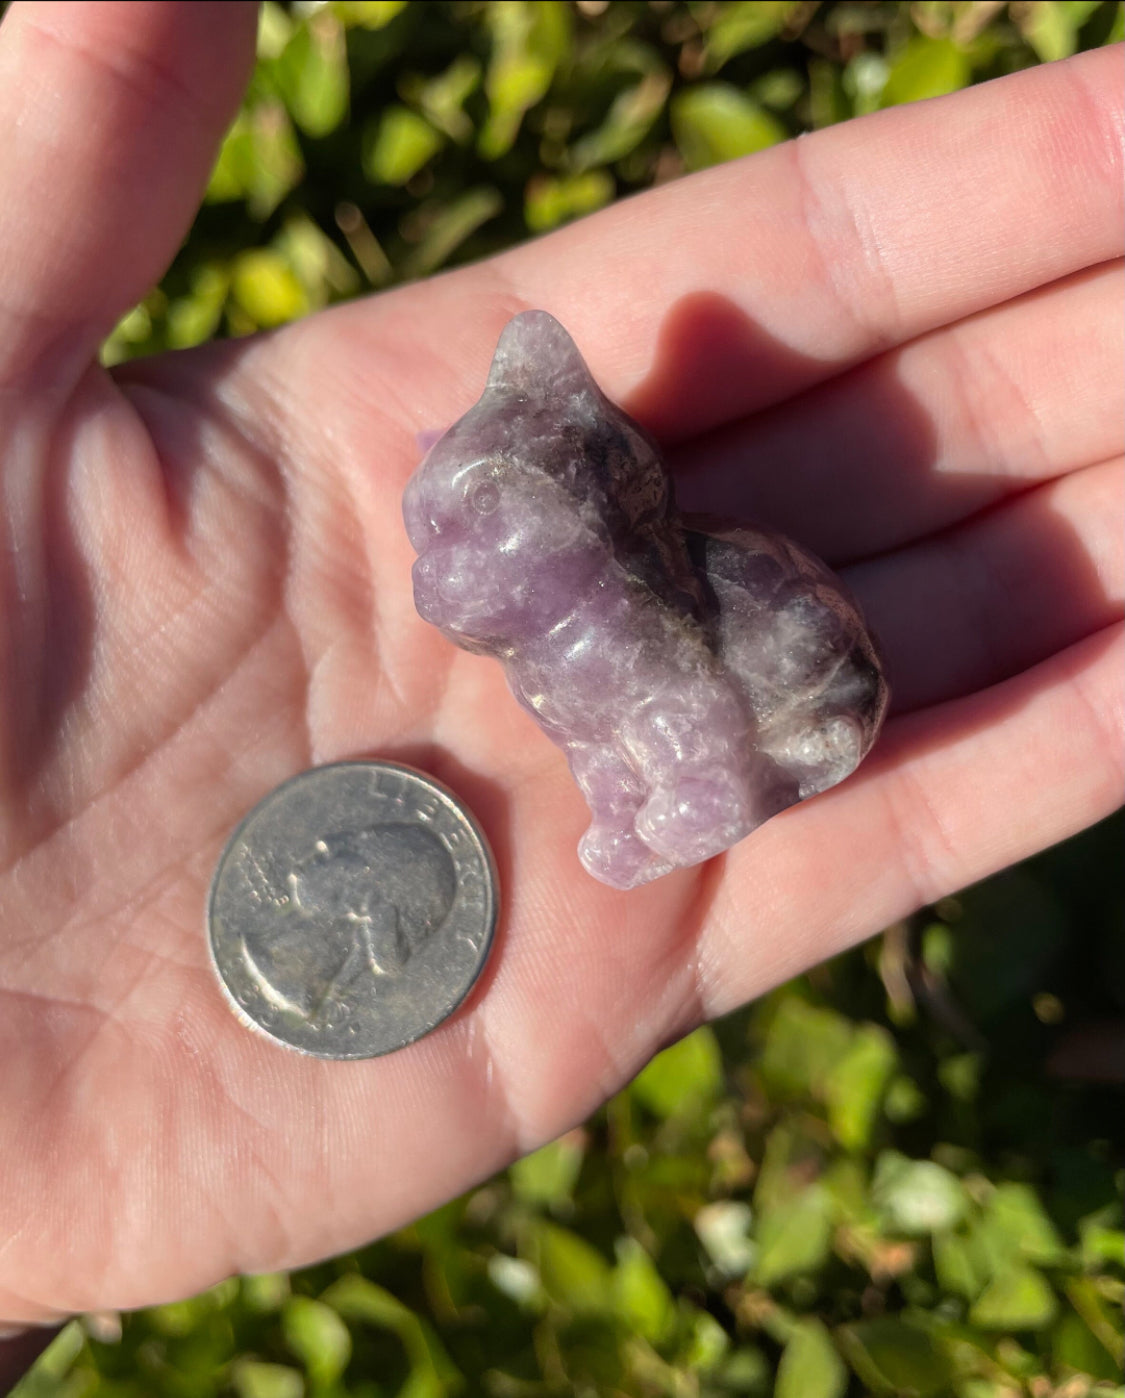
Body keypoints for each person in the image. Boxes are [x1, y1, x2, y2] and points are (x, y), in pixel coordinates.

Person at [0, 1, 1120, 1384]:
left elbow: (687, 745)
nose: (435, 586)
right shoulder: (563, 606)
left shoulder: (648, 639)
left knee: (676, 741)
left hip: (743, 691)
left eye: (475, 537)